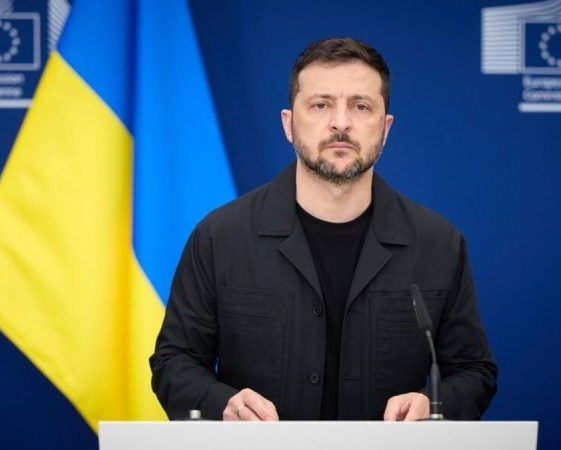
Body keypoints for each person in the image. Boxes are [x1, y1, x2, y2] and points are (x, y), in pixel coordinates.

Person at [150, 37, 497, 421]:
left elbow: (474, 372)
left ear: (385, 128)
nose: (341, 122)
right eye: (321, 105)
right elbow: (174, 362)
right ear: (288, 124)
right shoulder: (220, 238)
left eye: (360, 106)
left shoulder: (438, 245)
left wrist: (432, 405)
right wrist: (223, 404)